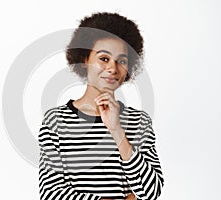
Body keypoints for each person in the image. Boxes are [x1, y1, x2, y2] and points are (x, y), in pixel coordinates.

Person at [38, 12, 164, 200]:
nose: (113, 68)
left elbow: (151, 192)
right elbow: (51, 193)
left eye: (121, 61)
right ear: (85, 59)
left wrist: (117, 131)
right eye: (104, 59)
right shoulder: (56, 121)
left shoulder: (139, 122)